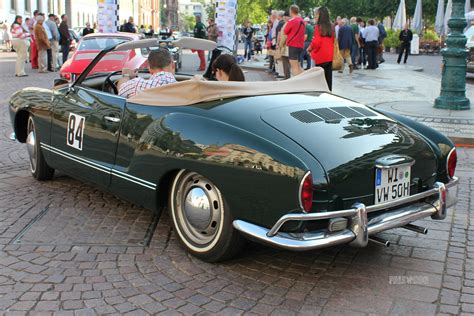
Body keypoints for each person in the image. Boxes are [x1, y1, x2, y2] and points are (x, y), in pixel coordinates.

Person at [307, 7, 334, 91]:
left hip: (320, 55)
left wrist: (310, 48)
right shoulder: (331, 26)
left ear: (320, 15)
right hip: (329, 55)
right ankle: (329, 93)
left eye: (316, 14)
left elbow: (317, 42)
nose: (315, 16)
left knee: (319, 78)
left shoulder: (318, 27)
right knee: (328, 78)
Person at [284, 5, 305, 76]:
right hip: (300, 45)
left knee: (294, 67)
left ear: (291, 11)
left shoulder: (292, 21)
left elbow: (285, 31)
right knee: (299, 66)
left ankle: (297, 84)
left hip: (293, 45)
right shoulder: (302, 21)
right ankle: (303, 81)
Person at [277, 11, 291, 79]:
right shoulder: (287, 23)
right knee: (286, 63)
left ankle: (287, 77)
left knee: (286, 63)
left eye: (286, 16)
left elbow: (284, 36)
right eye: (284, 16)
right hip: (286, 45)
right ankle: (286, 76)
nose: (285, 17)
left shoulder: (287, 24)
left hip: (285, 46)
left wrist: (280, 44)